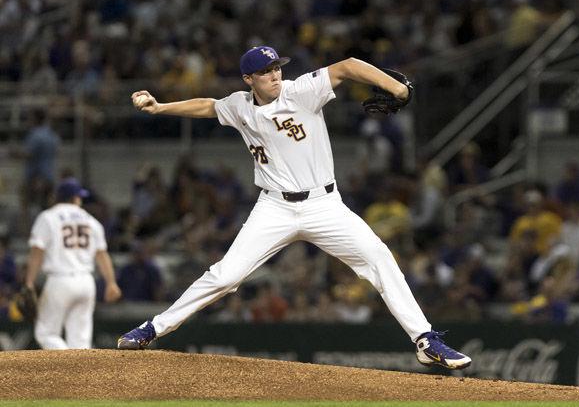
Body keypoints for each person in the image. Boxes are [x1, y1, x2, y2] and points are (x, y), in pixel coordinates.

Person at [117, 46, 472, 370]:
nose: (275, 76)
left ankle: (425, 340)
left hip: (324, 205)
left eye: (277, 68)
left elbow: (347, 66)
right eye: (266, 72)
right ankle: (153, 328)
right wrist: (161, 107)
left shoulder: (301, 91)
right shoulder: (239, 104)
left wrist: (398, 89)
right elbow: (208, 105)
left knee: (379, 258)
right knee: (225, 276)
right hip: (273, 208)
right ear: (248, 79)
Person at [25, 178, 122, 349]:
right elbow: (102, 255)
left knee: (47, 334)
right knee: (80, 340)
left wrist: (29, 282)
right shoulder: (91, 221)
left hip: (60, 280)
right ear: (75, 198)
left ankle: (66, 370)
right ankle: (81, 375)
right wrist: (111, 282)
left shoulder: (48, 217)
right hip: (86, 282)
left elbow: (37, 252)